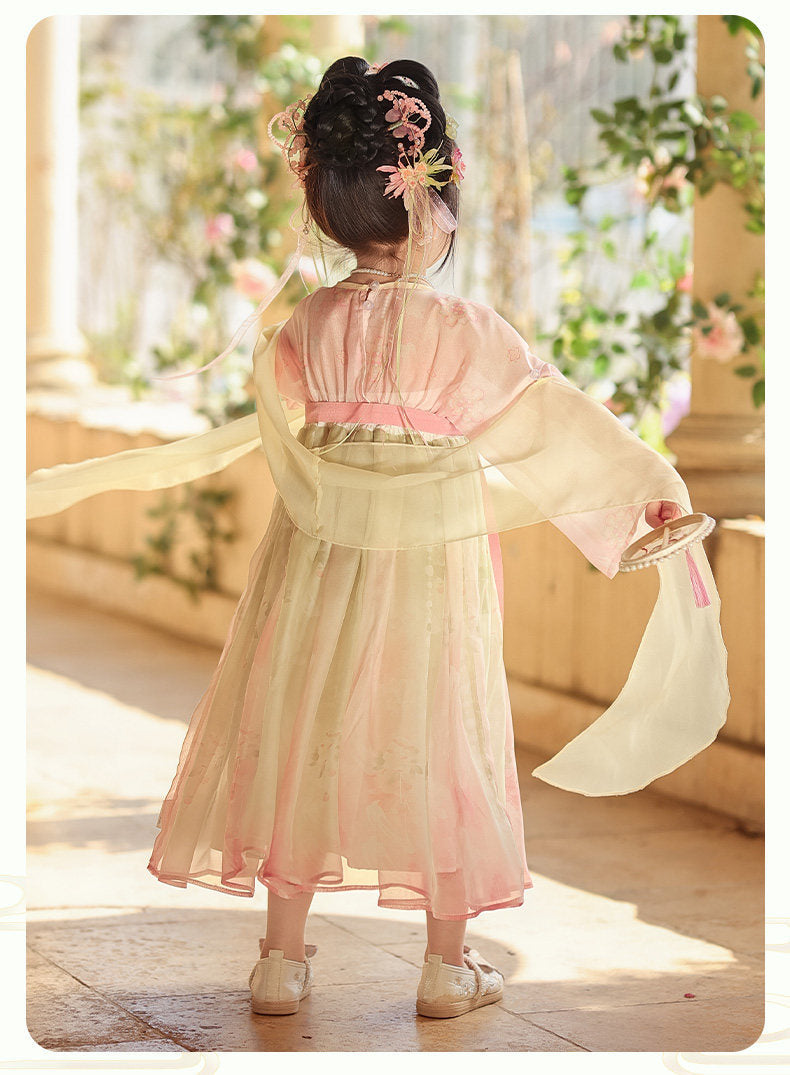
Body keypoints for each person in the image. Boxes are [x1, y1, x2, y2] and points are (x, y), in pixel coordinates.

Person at [26, 55, 729, 1022]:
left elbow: (286, 425)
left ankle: (281, 959)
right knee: (437, 730)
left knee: (301, 725)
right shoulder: (464, 328)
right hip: (426, 571)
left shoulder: (304, 326)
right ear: (432, 189)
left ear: (324, 201)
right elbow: (550, 425)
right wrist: (644, 486)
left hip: (315, 562)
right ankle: (446, 966)